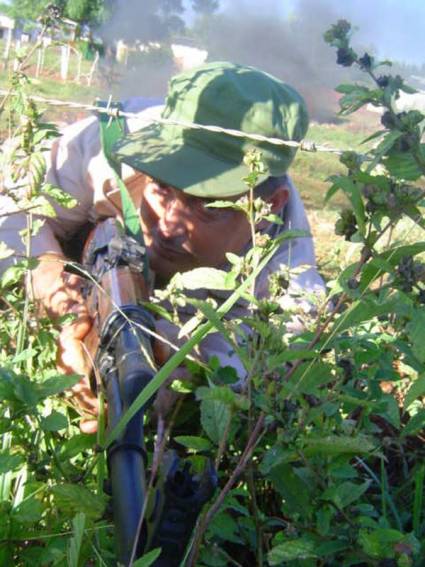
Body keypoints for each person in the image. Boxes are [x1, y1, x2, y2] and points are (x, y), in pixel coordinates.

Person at [0, 61, 325, 429]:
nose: (169, 226)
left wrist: (175, 370)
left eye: (207, 208)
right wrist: (54, 288)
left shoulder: (289, 263)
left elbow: (285, 346)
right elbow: (11, 208)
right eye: (162, 188)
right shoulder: (105, 144)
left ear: (268, 207)